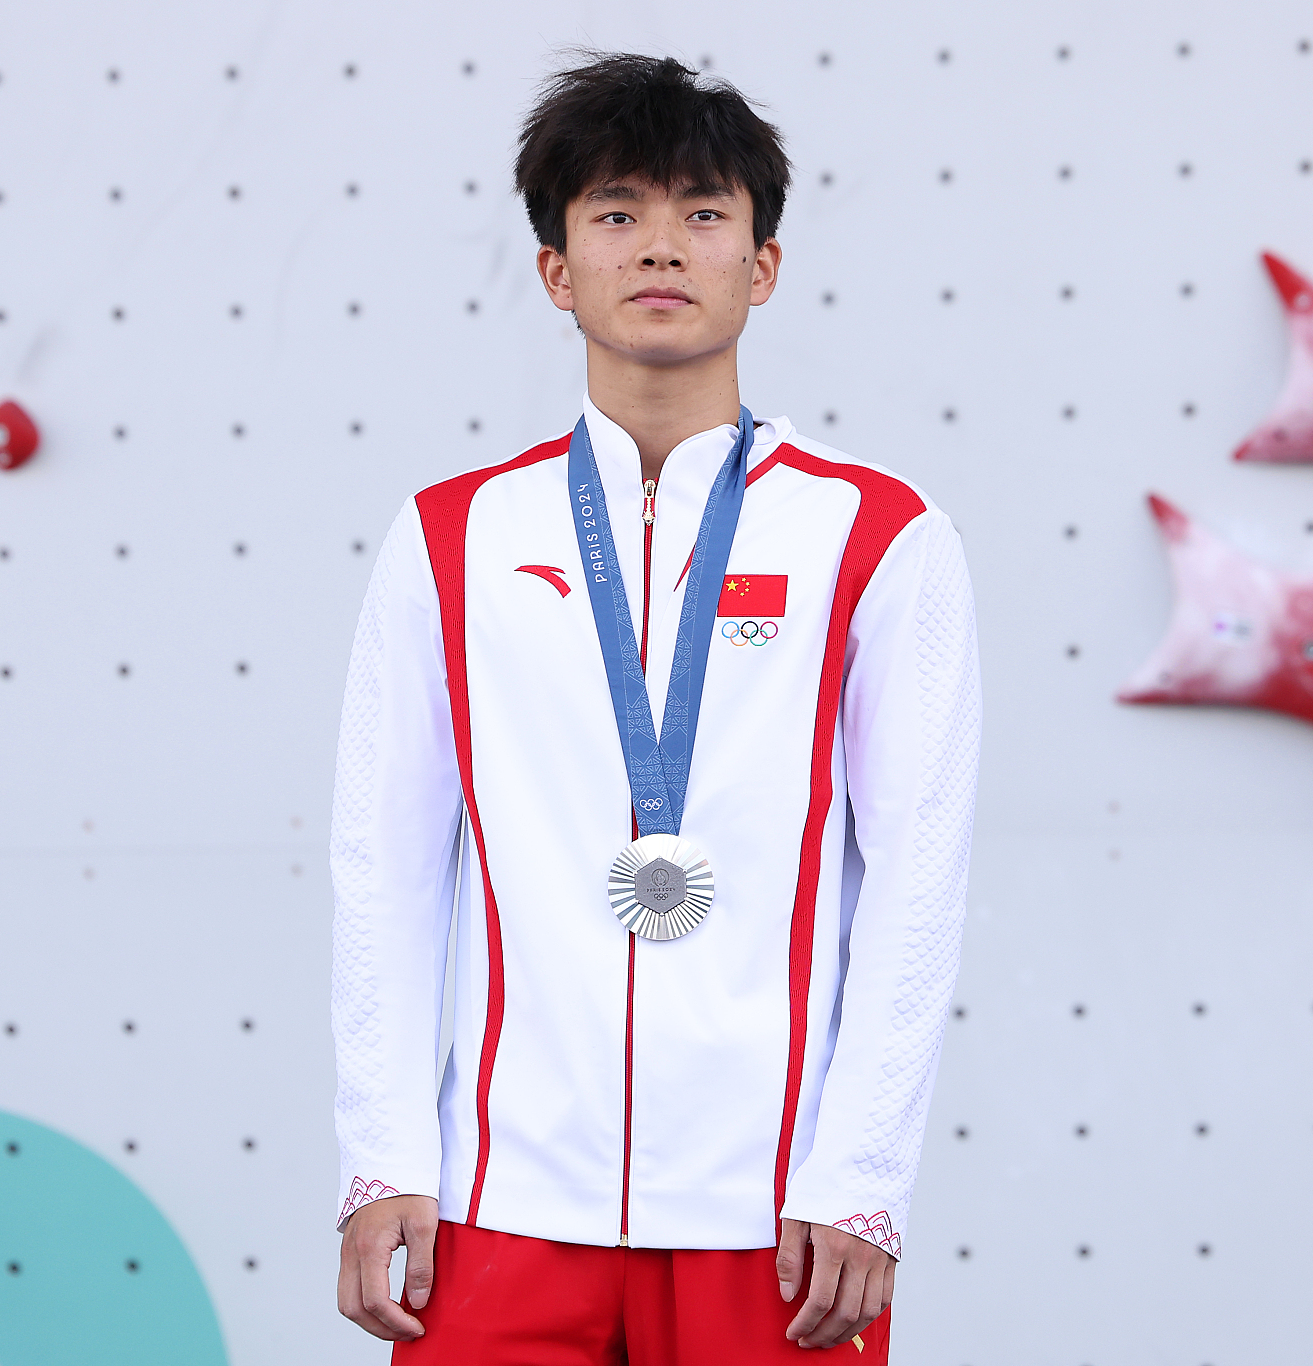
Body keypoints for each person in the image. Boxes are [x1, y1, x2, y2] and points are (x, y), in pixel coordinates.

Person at [328, 51, 982, 1363]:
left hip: (777, 1217)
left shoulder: (875, 532)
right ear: (557, 269)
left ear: (765, 262)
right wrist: (382, 1152)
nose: (661, 246)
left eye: (704, 212)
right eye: (616, 212)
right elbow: (386, 864)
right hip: (500, 1204)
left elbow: (918, 876)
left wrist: (861, 1172)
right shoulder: (452, 535)